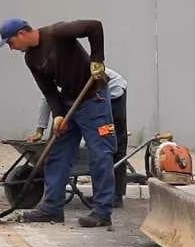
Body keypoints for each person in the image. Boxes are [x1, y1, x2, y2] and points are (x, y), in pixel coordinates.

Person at [0, 16, 116, 228]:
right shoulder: (31, 59)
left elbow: (94, 26)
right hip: (69, 103)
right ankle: (51, 208)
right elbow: (49, 90)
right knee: (56, 154)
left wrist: (97, 59)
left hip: (93, 99)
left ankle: (102, 211)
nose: (11, 48)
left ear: (22, 34)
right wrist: (58, 114)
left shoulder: (57, 32)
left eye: (10, 42)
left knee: (100, 154)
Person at [33, 66, 130, 207]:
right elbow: (47, 98)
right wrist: (39, 130)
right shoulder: (53, 77)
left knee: (112, 143)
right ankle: (54, 201)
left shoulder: (72, 72)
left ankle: (116, 196)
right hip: (90, 94)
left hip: (113, 92)